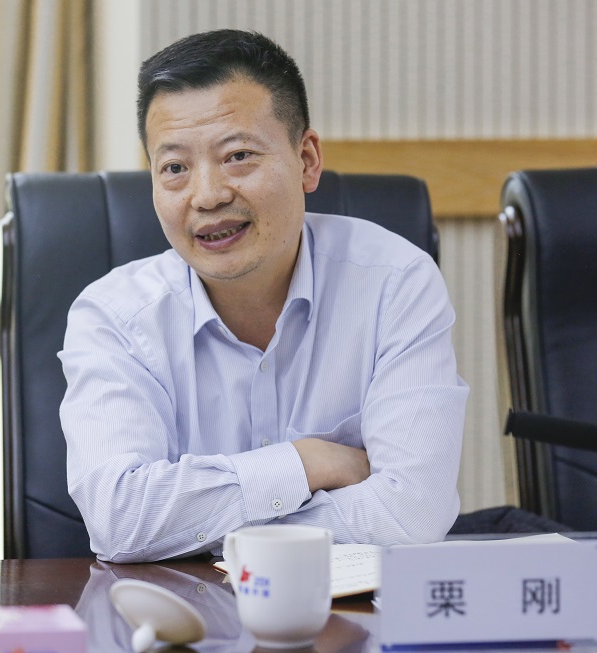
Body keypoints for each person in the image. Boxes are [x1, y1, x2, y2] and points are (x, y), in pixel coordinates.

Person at [59, 29, 469, 563]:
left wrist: (194, 524)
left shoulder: (394, 283)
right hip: (181, 613)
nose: (207, 196)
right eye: (175, 168)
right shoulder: (113, 316)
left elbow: (413, 512)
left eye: (238, 155)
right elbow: (120, 520)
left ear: (307, 160)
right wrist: (307, 462)